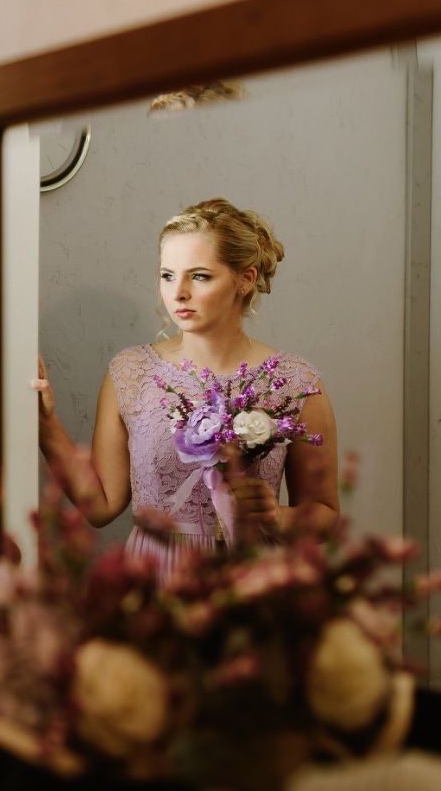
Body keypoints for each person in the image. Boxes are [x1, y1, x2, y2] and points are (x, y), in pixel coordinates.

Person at [33, 198, 339, 578]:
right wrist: (45, 424)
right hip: (153, 580)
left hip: (253, 582)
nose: (178, 293)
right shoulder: (131, 373)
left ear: (245, 279)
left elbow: (326, 514)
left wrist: (278, 517)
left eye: (199, 276)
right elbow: (100, 506)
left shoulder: (295, 382)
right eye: (167, 275)